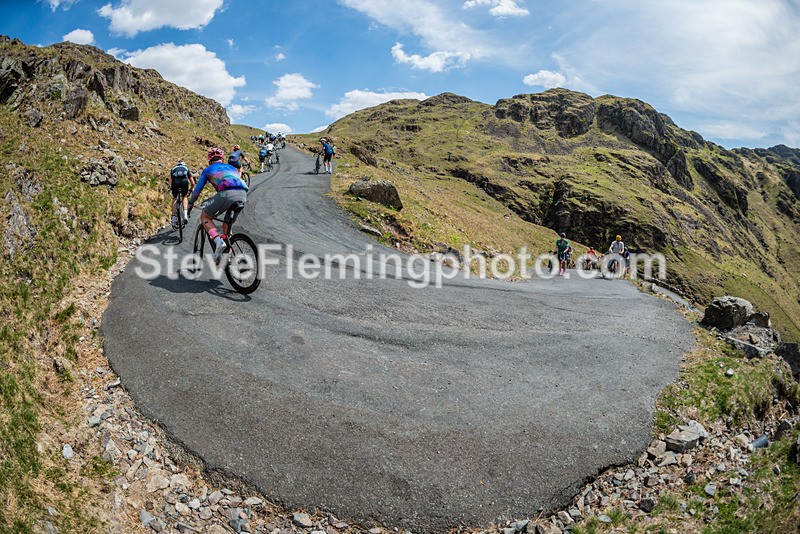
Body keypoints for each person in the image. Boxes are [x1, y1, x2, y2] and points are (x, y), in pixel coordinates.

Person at [188, 148, 249, 262]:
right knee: (227, 225)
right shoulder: (232, 168)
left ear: (209, 160)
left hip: (226, 194)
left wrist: (190, 204)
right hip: (243, 194)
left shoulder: (208, 169)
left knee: (205, 216)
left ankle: (218, 241)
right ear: (223, 159)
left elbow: (196, 191)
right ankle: (228, 256)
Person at [169, 159, 194, 228]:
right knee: (184, 197)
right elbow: (192, 182)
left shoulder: (173, 169)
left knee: (174, 198)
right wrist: (192, 188)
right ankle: (185, 214)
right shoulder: (186, 168)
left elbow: (171, 181)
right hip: (184, 182)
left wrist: (172, 189)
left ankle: (173, 219)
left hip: (175, 182)